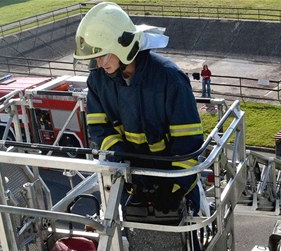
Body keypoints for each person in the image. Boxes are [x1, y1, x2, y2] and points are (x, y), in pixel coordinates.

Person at [73, 2, 203, 214]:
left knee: (184, 240)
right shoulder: (98, 81)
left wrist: (176, 187)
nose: (98, 63)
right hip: (131, 178)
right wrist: (124, 159)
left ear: (122, 47)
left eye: (103, 55)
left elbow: (188, 141)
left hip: (172, 180)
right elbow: (98, 128)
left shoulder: (169, 79)